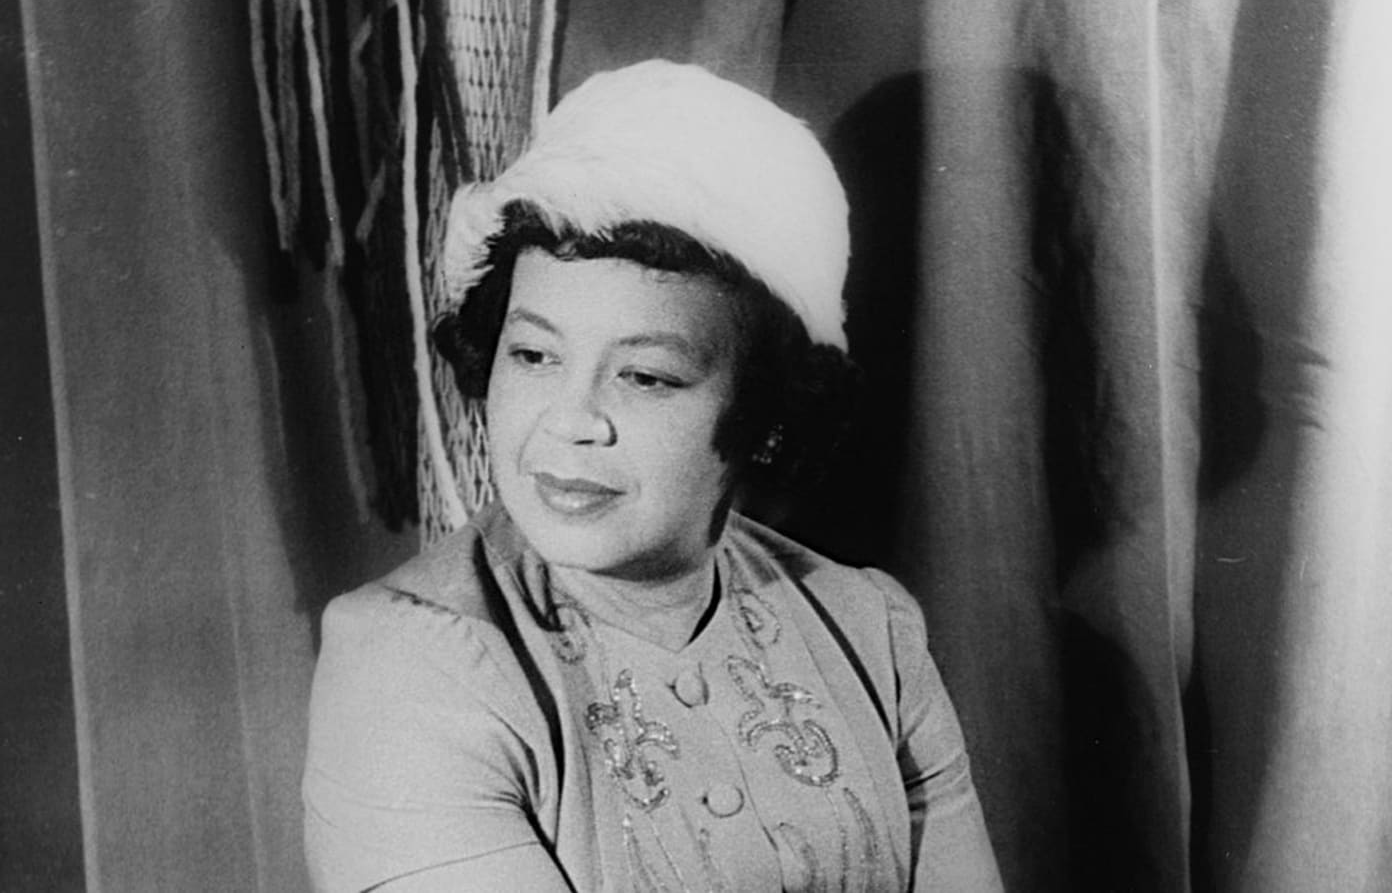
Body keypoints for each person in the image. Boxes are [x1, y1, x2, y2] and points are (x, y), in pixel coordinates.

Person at [302, 60, 1002, 892]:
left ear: (767, 413)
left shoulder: (871, 630)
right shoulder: (410, 663)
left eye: (645, 376)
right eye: (533, 355)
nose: (570, 420)